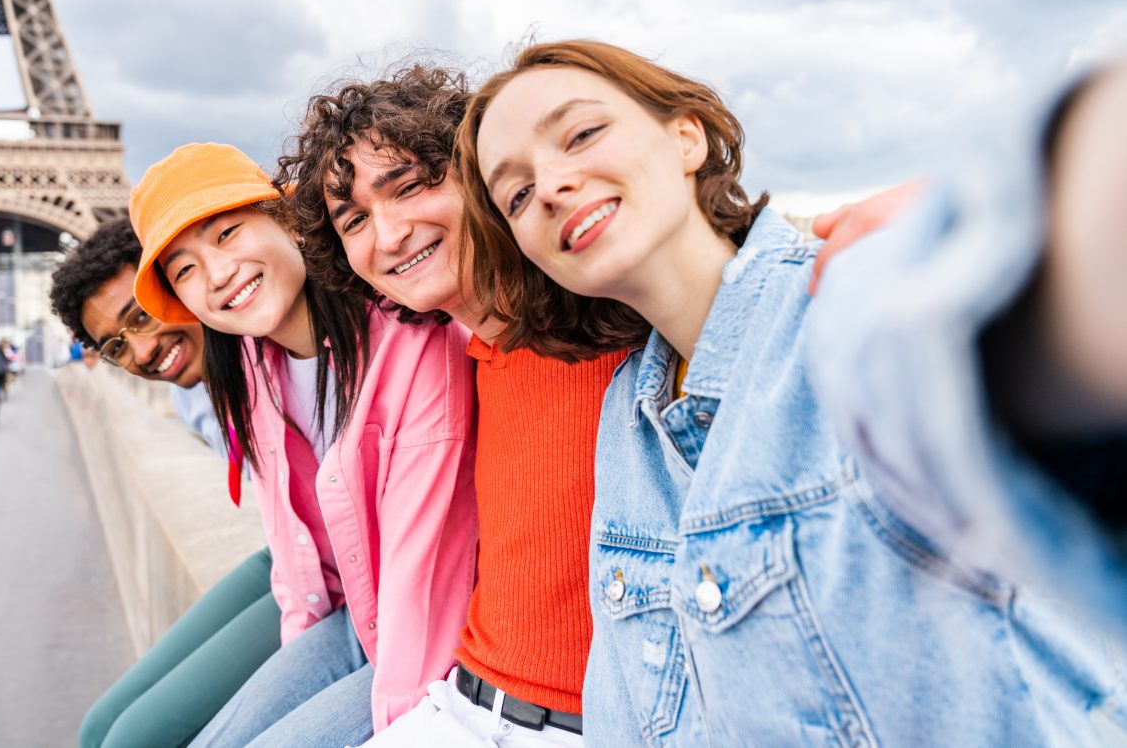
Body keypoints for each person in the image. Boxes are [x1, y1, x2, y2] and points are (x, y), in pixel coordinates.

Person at [456, 39, 1126, 744]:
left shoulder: (850, 305)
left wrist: (1004, 213)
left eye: (581, 133)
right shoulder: (629, 413)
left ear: (684, 137)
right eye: (518, 193)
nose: (553, 184)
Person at [279, 66, 644, 745]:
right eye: (355, 220)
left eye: (411, 186)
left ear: (480, 177)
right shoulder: (463, 362)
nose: (388, 235)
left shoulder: (614, 321)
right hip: (461, 704)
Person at [129, 142, 477, 747]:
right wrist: (301, 657)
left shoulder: (411, 338)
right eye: (184, 270)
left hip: (437, 637)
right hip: (358, 619)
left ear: (289, 219)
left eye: (228, 233)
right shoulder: (252, 368)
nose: (215, 274)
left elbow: (428, 575)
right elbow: (292, 554)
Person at [809, 59, 1127, 633]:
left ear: (688, 138)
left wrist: (957, 234)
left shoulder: (831, 299)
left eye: (589, 133)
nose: (582, 174)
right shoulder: (623, 392)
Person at [49, 216, 283, 748]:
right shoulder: (189, 395)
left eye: (141, 317)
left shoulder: (275, 347)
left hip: (333, 576)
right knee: (96, 730)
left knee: (130, 739)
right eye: (115, 347)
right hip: (287, 554)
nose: (143, 351)